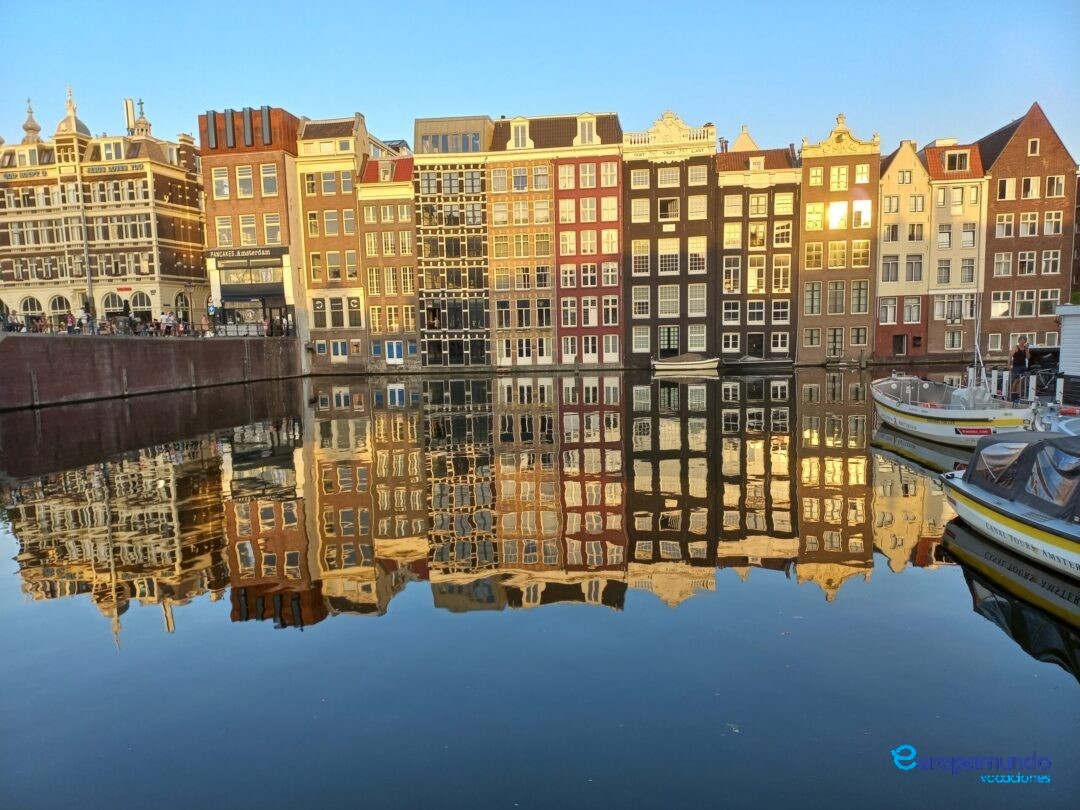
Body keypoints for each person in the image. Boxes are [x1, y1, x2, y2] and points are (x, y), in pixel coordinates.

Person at [1010, 336, 1030, 401]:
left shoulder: (1025, 348)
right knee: (1015, 380)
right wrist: (1008, 365)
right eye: (1021, 340)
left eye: (1024, 340)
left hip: (1023, 366)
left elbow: (1028, 357)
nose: (1023, 341)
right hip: (1016, 366)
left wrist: (1027, 349)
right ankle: (1012, 394)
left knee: (1021, 381)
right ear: (1019, 341)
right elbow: (1010, 356)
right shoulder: (1016, 347)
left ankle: (1017, 395)